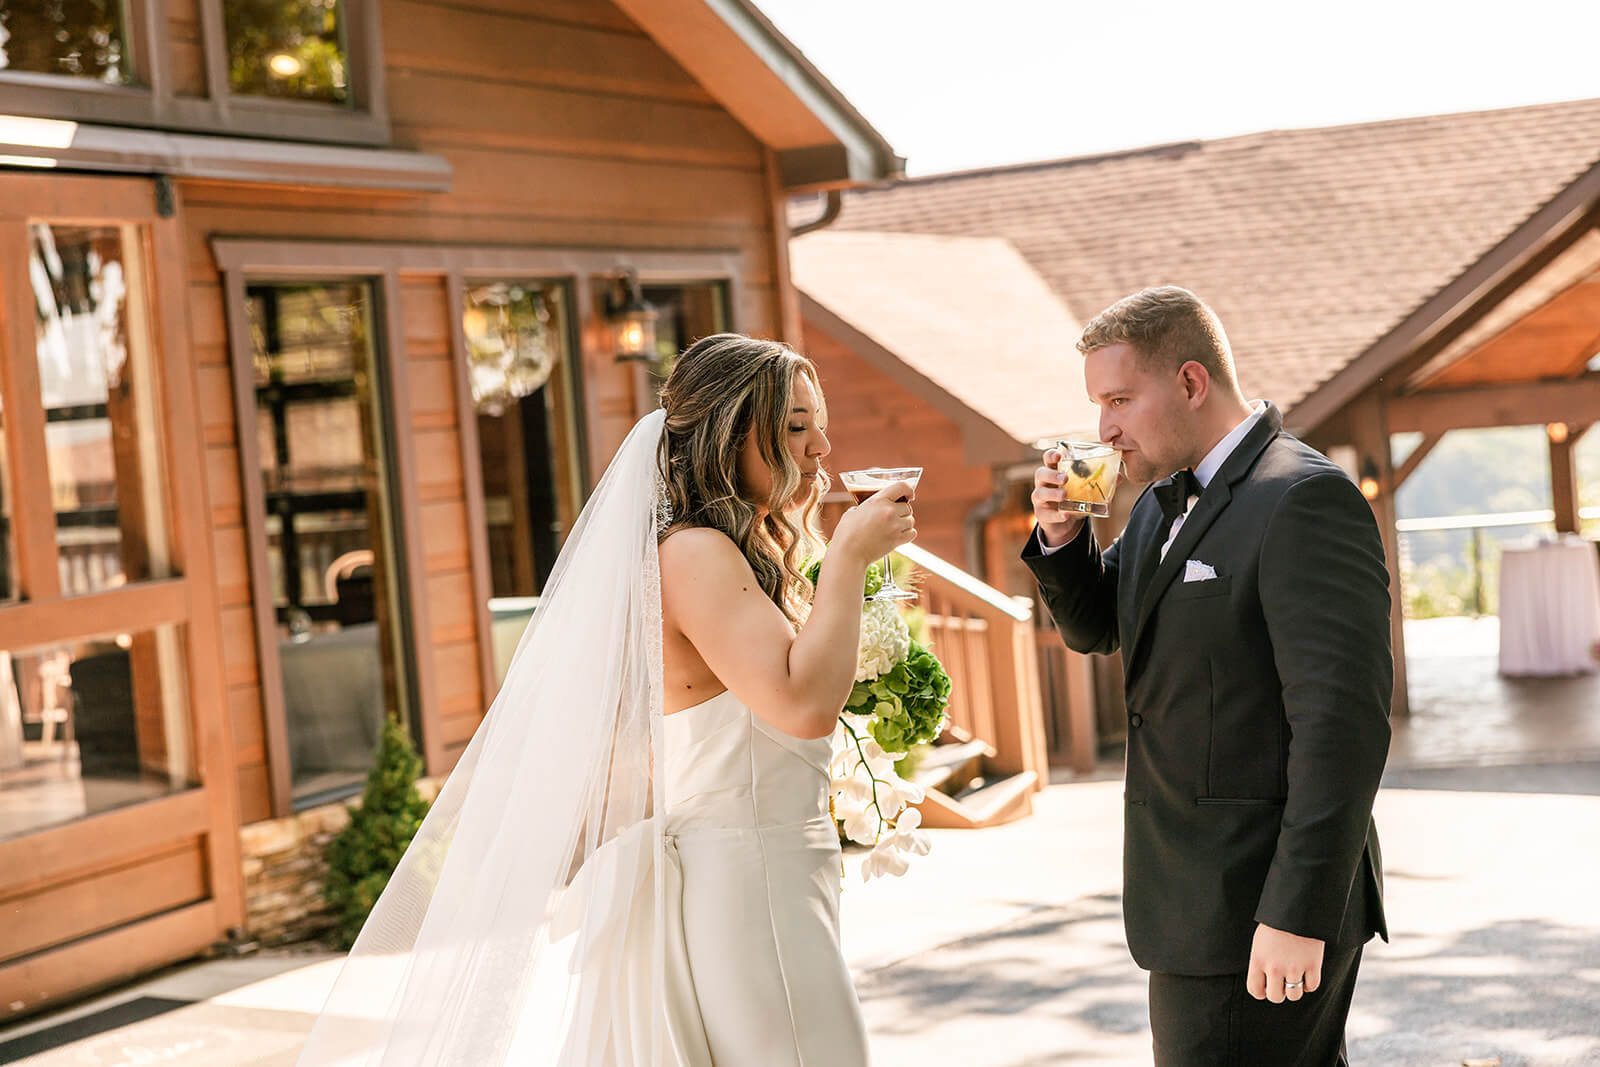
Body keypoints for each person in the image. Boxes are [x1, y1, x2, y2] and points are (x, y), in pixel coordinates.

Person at [296, 333, 913, 1066]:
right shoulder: (693, 553)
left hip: (776, 877)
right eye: (795, 426)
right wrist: (847, 556)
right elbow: (799, 705)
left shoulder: (731, 551)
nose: (820, 447)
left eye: (819, 424)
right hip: (753, 889)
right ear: (728, 434)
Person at [1022, 287, 1391, 1066]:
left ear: (1191, 382)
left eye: (1120, 398)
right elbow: (1098, 625)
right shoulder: (1159, 499)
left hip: (1259, 907)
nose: (1104, 428)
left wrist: (1298, 911)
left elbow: (1342, 727)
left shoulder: (1304, 498)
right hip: (1189, 905)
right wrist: (1061, 539)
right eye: (1098, 404)